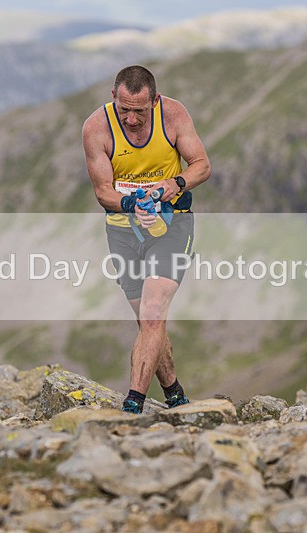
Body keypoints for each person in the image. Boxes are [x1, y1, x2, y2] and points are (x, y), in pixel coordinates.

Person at [82, 65, 211, 413]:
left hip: (173, 225)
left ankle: (133, 405)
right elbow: (102, 191)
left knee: (153, 313)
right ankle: (175, 396)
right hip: (124, 232)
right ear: (114, 98)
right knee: (148, 324)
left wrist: (175, 184)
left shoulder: (174, 115)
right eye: (124, 110)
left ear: (154, 102)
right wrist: (130, 204)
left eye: (139, 111)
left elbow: (201, 164)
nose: (132, 119)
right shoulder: (96, 128)